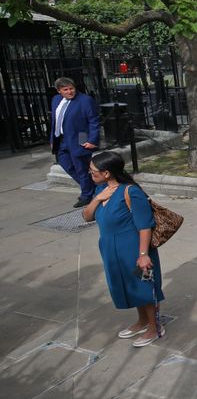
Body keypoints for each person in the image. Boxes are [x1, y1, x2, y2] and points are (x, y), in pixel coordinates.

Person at [82, 151, 163, 347]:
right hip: (111, 250)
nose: (90, 173)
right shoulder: (100, 191)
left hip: (134, 250)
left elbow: (145, 226)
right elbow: (86, 216)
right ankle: (142, 321)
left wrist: (143, 255)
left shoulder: (131, 192)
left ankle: (154, 327)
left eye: (93, 171)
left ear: (107, 172)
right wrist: (98, 198)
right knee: (127, 285)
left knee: (144, 287)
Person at [50, 77, 100, 207]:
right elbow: (55, 121)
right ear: (59, 91)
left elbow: (93, 121)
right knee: (65, 164)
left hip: (80, 138)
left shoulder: (85, 101)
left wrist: (92, 140)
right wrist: (52, 139)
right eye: (65, 90)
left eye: (71, 89)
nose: (69, 92)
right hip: (61, 140)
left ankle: (86, 195)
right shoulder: (56, 100)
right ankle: (92, 187)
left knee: (81, 168)